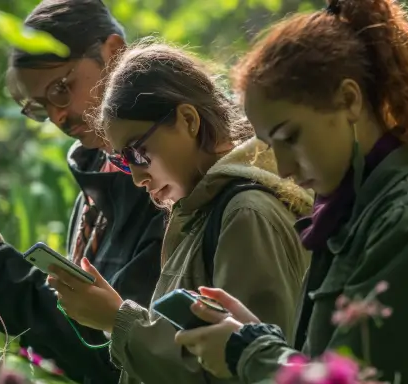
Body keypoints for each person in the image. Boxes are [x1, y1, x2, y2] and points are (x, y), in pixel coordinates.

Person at [174, 0, 408, 383]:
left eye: (291, 137)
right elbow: (334, 362)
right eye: (272, 146)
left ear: (350, 100)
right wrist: (255, 335)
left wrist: (247, 354)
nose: (284, 168)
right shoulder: (352, 213)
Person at [45, 40, 314, 384]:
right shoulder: (201, 211)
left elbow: (246, 369)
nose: (138, 177)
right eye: (122, 162)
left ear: (188, 119)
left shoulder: (246, 213)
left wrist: (118, 320)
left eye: (138, 152)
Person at [0, 1, 165, 383]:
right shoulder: (96, 179)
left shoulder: (168, 182)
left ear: (114, 51)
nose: (57, 116)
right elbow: (75, 339)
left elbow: (116, 355)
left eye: (61, 89)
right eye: (40, 107)